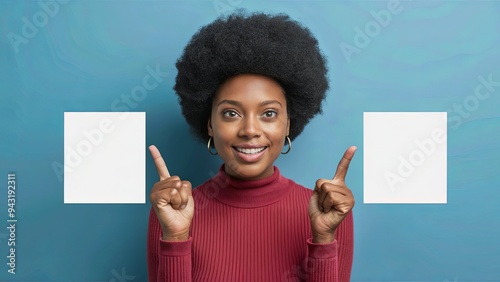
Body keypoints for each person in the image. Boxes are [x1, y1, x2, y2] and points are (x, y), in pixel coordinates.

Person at [147, 11, 356, 282]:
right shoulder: (170, 211)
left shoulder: (330, 210)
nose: (249, 130)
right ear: (209, 124)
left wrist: (324, 239)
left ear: (288, 124)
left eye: (268, 113)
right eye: (231, 113)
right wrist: (175, 237)